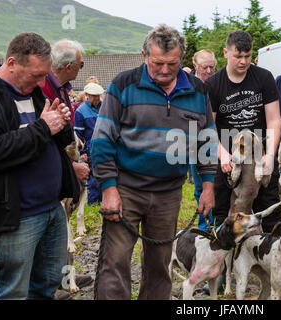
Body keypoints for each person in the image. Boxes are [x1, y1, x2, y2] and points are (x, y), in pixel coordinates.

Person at [91, 24, 217, 300]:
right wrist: (108, 188)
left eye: (172, 64)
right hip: (125, 189)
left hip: (169, 193)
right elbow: (101, 140)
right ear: (144, 55)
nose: (164, 70)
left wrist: (208, 185)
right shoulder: (123, 85)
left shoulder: (198, 91)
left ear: (182, 58)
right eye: (157, 63)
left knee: (160, 264)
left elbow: (206, 142)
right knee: (116, 263)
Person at [0, 32, 79, 299]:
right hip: (17, 216)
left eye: (45, 74)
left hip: (51, 208)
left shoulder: (33, 92)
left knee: (46, 285)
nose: (42, 82)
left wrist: (62, 124)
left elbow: (53, 142)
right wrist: (44, 127)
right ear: (11, 63)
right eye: (36, 74)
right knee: (12, 291)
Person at [205, 30, 281, 233]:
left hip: (260, 152)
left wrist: (270, 155)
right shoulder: (213, 84)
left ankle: (269, 254)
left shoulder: (264, 78)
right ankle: (225, 257)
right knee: (222, 211)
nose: (243, 61)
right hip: (226, 152)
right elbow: (208, 125)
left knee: (269, 210)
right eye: (238, 56)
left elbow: (274, 119)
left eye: (247, 56)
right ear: (225, 52)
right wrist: (222, 155)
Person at [41, 39, 90, 188]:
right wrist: (71, 167)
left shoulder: (62, 89)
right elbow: (46, 140)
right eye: (80, 64)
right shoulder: (44, 89)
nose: (81, 68)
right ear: (68, 67)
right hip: (49, 178)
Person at [190, 49, 217, 231]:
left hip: (216, 138)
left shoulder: (217, 83)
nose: (208, 71)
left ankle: (217, 224)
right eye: (204, 67)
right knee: (200, 186)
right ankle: (204, 227)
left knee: (215, 185)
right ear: (195, 66)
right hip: (194, 138)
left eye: (212, 67)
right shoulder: (188, 85)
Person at [73, 82, 104, 205]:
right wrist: (81, 153)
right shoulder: (80, 111)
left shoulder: (105, 107)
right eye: (93, 95)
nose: (96, 98)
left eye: (98, 95)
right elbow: (78, 136)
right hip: (90, 149)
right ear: (87, 95)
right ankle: (92, 205)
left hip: (105, 146)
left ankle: (103, 202)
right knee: (92, 179)